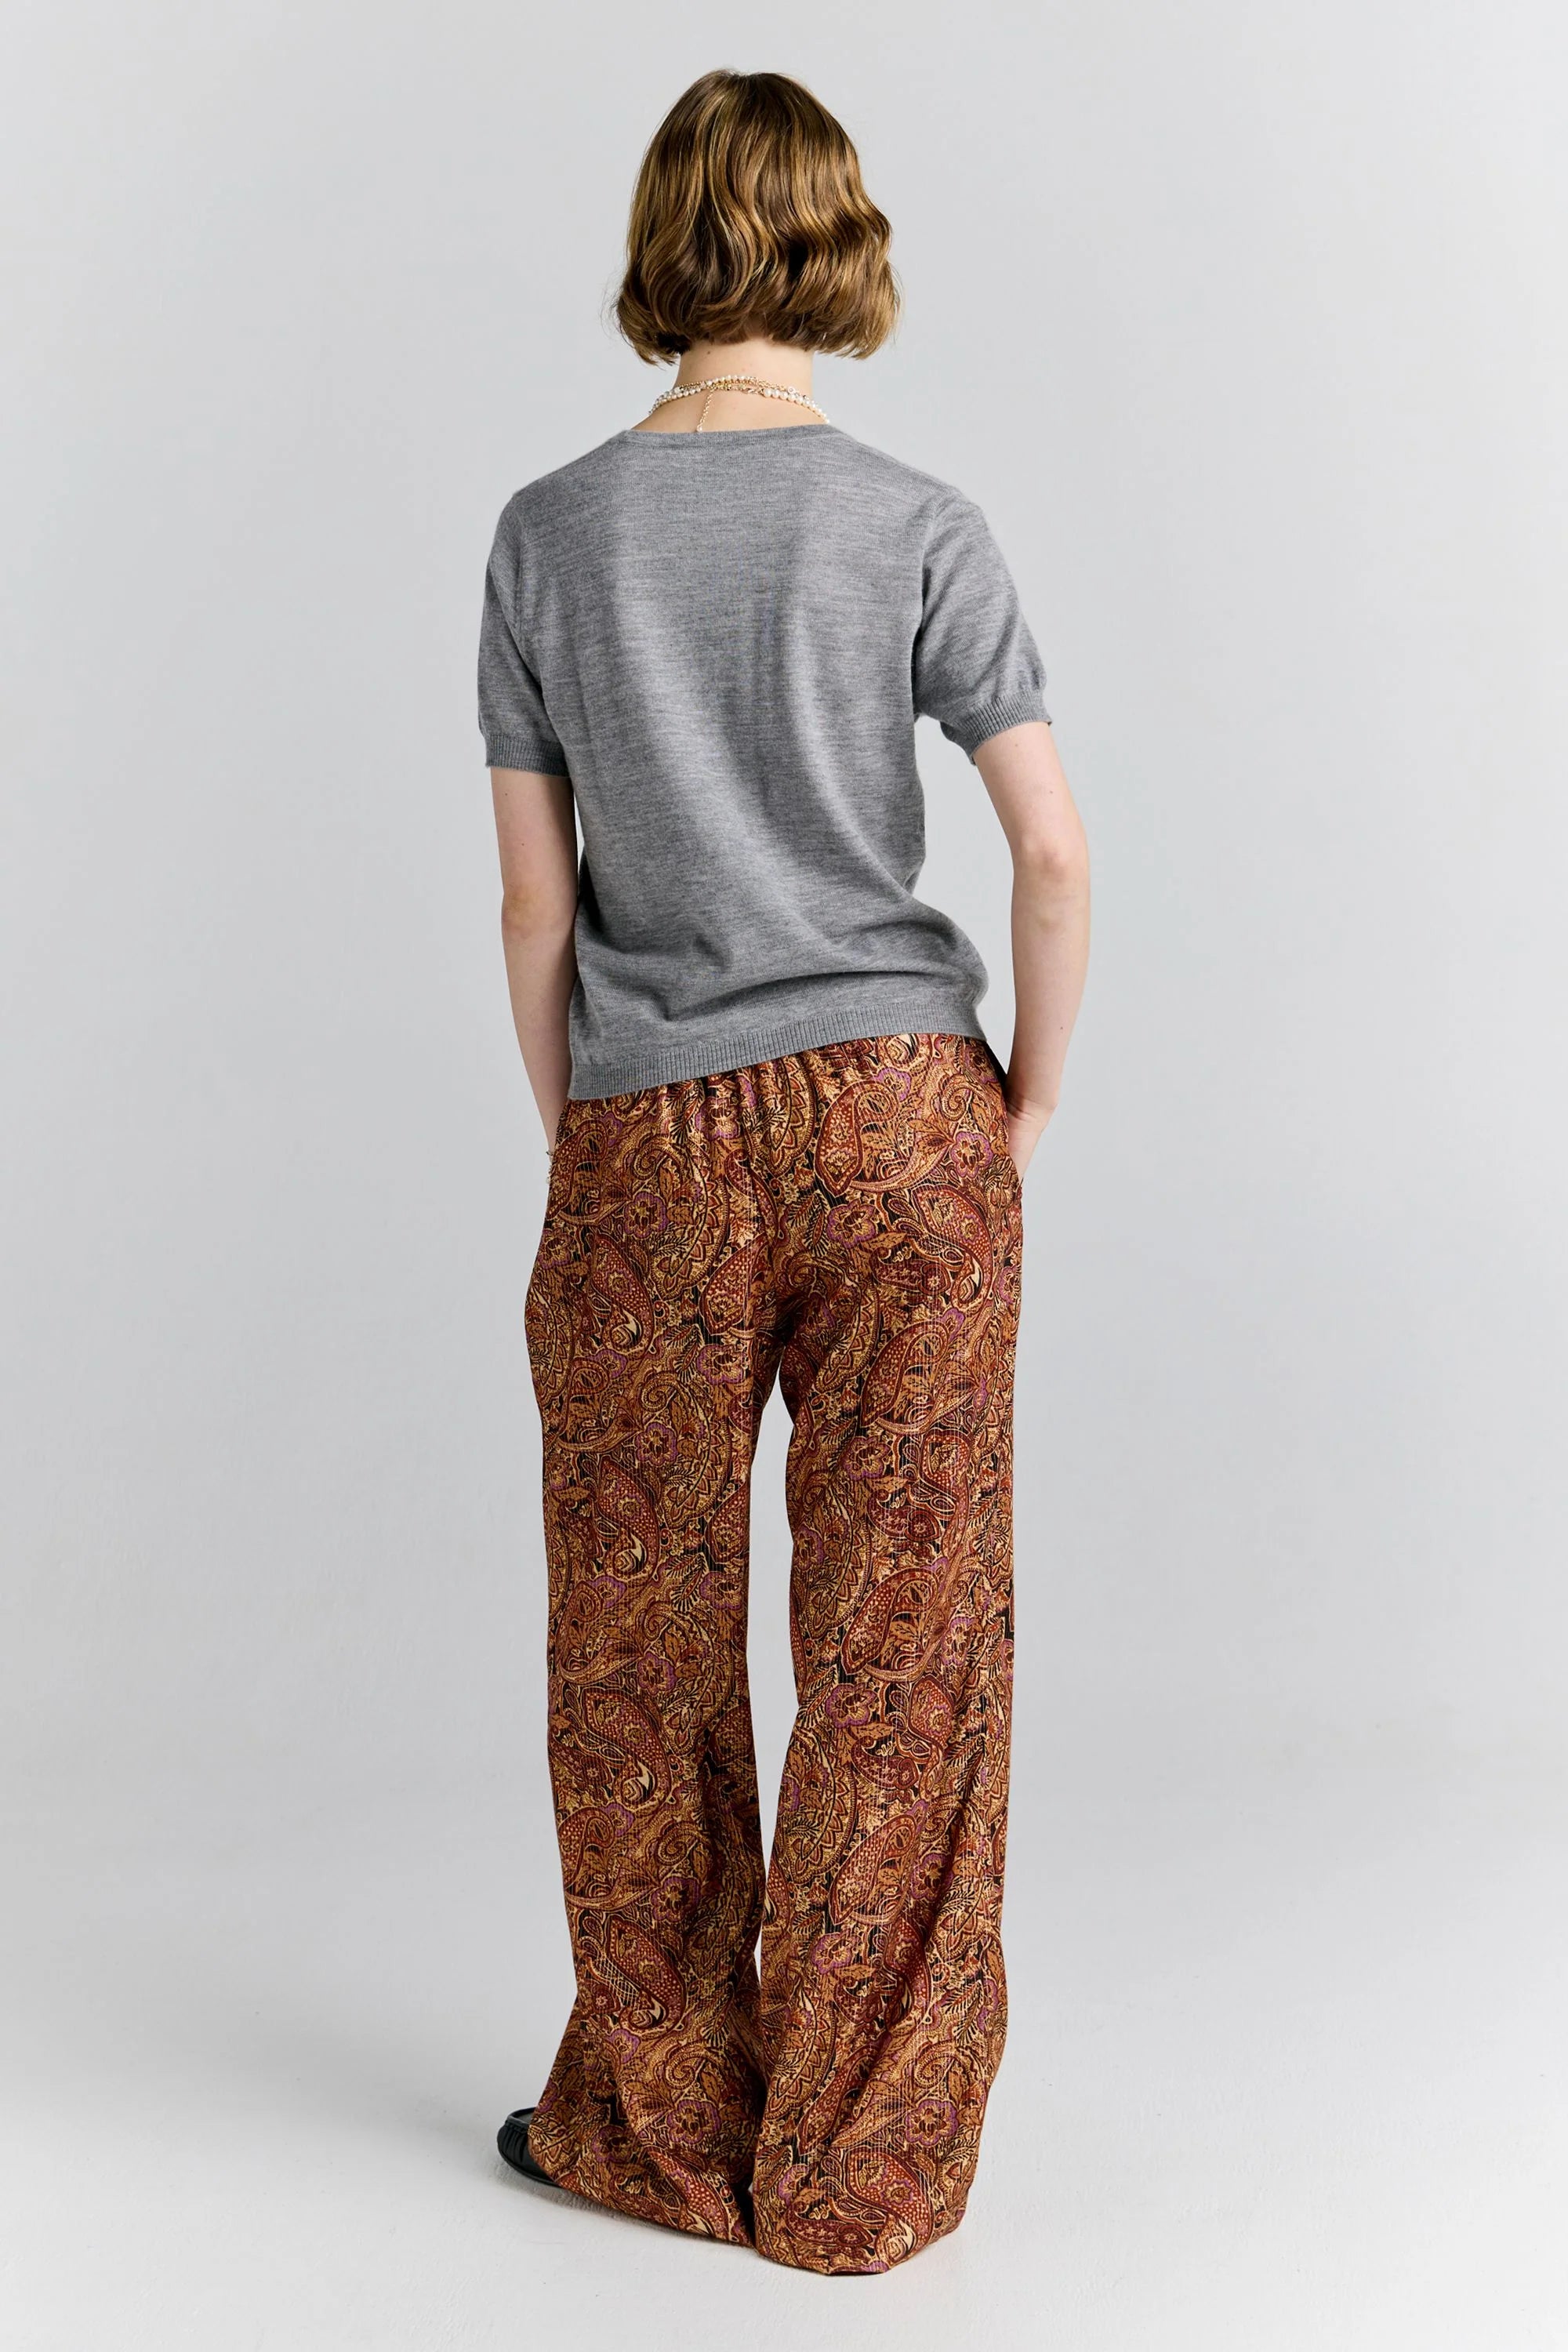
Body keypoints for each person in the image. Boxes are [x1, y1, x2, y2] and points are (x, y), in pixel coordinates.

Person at [478, 67, 1090, 2278]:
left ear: (665, 246)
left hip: (650, 1122)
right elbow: (1049, 855)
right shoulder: (920, 522)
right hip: (907, 1117)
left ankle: (662, 2132)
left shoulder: (550, 534)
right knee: (907, 1642)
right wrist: (1021, 1108)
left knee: (636, 1646)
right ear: (839, 243)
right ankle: (854, 2169)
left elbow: (536, 908)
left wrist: (590, 1133)